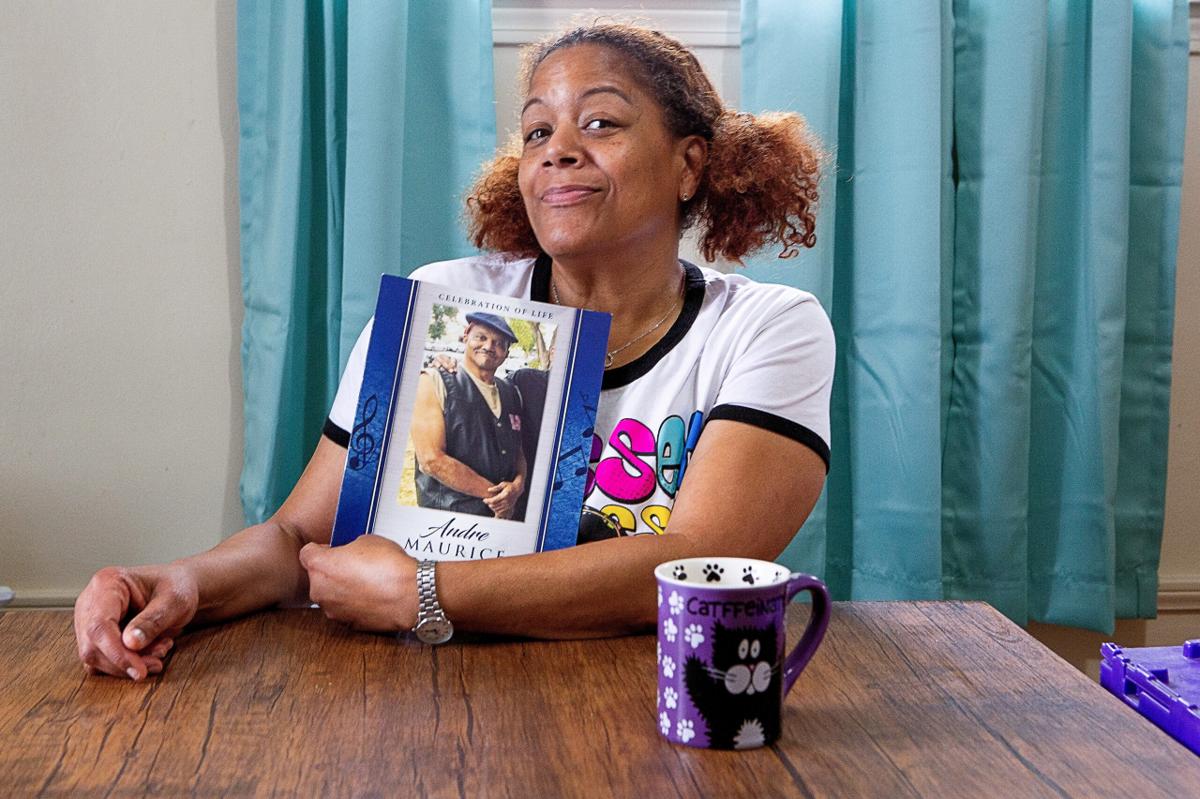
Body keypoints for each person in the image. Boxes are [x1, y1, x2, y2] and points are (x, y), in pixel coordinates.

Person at [74, 22, 832, 679]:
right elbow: (297, 537)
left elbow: (699, 560)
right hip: (423, 698)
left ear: (690, 165)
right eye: (537, 131)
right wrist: (180, 582)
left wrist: (422, 592)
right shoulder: (440, 305)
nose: (557, 152)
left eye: (600, 123)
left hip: (654, 700)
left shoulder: (769, 327)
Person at [411, 313, 526, 520]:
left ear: (507, 353)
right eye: (481, 337)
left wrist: (518, 486)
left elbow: (517, 450)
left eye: (499, 343)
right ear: (466, 335)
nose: (489, 346)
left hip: (502, 524)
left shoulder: (511, 392)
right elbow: (431, 460)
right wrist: (499, 499)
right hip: (448, 522)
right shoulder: (433, 380)